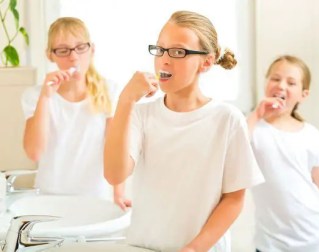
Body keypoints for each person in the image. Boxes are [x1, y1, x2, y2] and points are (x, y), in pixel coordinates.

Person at [104, 10, 264, 252]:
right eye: (160, 49)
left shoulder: (227, 119)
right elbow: (114, 175)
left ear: (206, 62)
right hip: (145, 246)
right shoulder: (141, 114)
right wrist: (125, 100)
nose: (164, 60)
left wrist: (194, 248)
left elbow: (234, 199)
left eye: (178, 52)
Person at [21, 17, 130, 210]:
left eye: (80, 47)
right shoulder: (35, 96)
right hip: (48, 198)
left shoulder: (110, 91)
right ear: (50, 55)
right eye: (63, 50)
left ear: (92, 50)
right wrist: (45, 99)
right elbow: (34, 152)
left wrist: (118, 193)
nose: (73, 57)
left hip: (95, 198)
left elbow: (115, 148)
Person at [247, 55, 319, 252]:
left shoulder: (312, 135)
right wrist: (257, 114)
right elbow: (234, 150)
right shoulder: (253, 128)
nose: (281, 85)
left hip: (312, 237)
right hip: (270, 243)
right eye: (275, 78)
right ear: (266, 83)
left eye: (291, 82)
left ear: (303, 94)